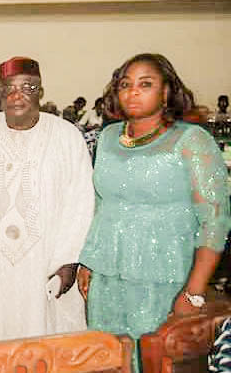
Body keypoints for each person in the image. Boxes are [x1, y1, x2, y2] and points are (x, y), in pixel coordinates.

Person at [77, 53, 231, 372]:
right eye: (125, 84)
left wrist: (194, 292)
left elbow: (215, 221)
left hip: (165, 276)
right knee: (109, 358)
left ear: (166, 92)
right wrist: (88, 261)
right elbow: (102, 203)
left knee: (156, 360)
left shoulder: (192, 140)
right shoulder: (108, 138)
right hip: (107, 276)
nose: (133, 91)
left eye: (145, 84)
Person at [0, 57, 93, 345]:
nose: (17, 95)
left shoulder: (67, 136)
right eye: (9, 88)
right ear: (0, 92)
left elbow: (80, 201)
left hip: (44, 260)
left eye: (27, 87)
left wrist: (70, 258)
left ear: (40, 91)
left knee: (41, 339)